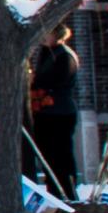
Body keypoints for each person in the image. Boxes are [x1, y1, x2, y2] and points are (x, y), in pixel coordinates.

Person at [25, 30, 82, 202]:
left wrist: (33, 80)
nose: (43, 37)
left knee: (60, 156)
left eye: (47, 33)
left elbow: (54, 81)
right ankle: (55, 191)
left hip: (59, 113)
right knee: (47, 156)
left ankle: (67, 191)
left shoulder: (65, 56)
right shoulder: (46, 54)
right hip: (45, 113)